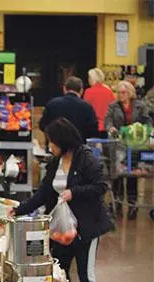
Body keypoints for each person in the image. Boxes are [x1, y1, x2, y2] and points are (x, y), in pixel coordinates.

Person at [13, 118, 113, 282]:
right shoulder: (54, 163)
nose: (49, 146)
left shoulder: (86, 158)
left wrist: (74, 192)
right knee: (61, 273)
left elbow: (100, 186)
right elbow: (43, 193)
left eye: (51, 141)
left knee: (86, 274)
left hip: (86, 227)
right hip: (61, 229)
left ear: (62, 140)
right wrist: (18, 210)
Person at [105, 80, 150, 219]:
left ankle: (132, 205)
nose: (120, 95)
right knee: (117, 175)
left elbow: (147, 121)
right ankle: (116, 203)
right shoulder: (113, 106)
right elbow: (108, 120)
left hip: (135, 146)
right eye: (118, 92)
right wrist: (110, 128)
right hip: (118, 145)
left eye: (123, 92)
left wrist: (143, 129)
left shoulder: (140, 106)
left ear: (130, 93)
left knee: (132, 175)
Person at [39, 76, 98, 142]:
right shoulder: (87, 107)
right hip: (78, 146)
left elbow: (42, 125)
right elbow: (93, 130)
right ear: (81, 90)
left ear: (64, 88)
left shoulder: (52, 104)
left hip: (56, 146)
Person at [82, 68, 116, 136]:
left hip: (94, 127)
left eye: (89, 77)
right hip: (107, 127)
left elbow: (84, 110)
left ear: (92, 78)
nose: (88, 79)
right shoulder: (109, 91)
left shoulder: (88, 92)